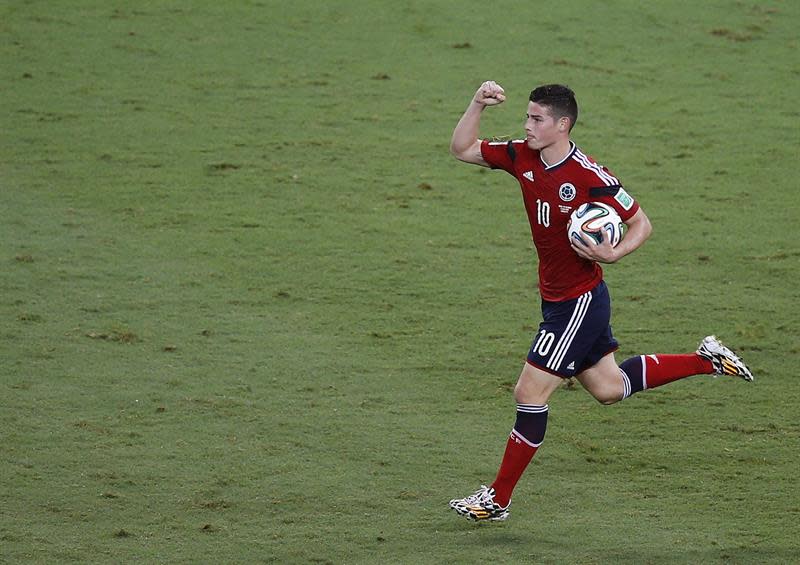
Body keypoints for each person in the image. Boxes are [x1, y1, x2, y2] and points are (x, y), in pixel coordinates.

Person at [447, 81, 754, 522]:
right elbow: (462, 149)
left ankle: (498, 498)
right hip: (556, 300)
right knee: (609, 389)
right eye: (527, 117)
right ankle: (707, 359)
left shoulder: (591, 176)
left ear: (562, 125)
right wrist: (477, 102)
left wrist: (614, 253)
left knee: (529, 392)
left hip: (579, 303)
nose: (527, 125)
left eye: (537, 119)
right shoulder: (521, 156)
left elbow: (641, 223)